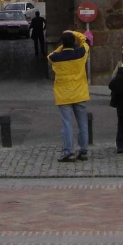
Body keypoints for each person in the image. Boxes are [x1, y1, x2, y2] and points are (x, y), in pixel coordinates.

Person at [48, 30, 90, 162]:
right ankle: (83, 150)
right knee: (83, 123)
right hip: (80, 93)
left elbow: (50, 55)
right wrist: (73, 32)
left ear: (62, 43)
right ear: (73, 43)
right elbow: (86, 41)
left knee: (67, 124)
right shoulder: (81, 53)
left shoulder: (56, 58)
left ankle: (68, 152)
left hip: (63, 95)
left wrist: (62, 46)